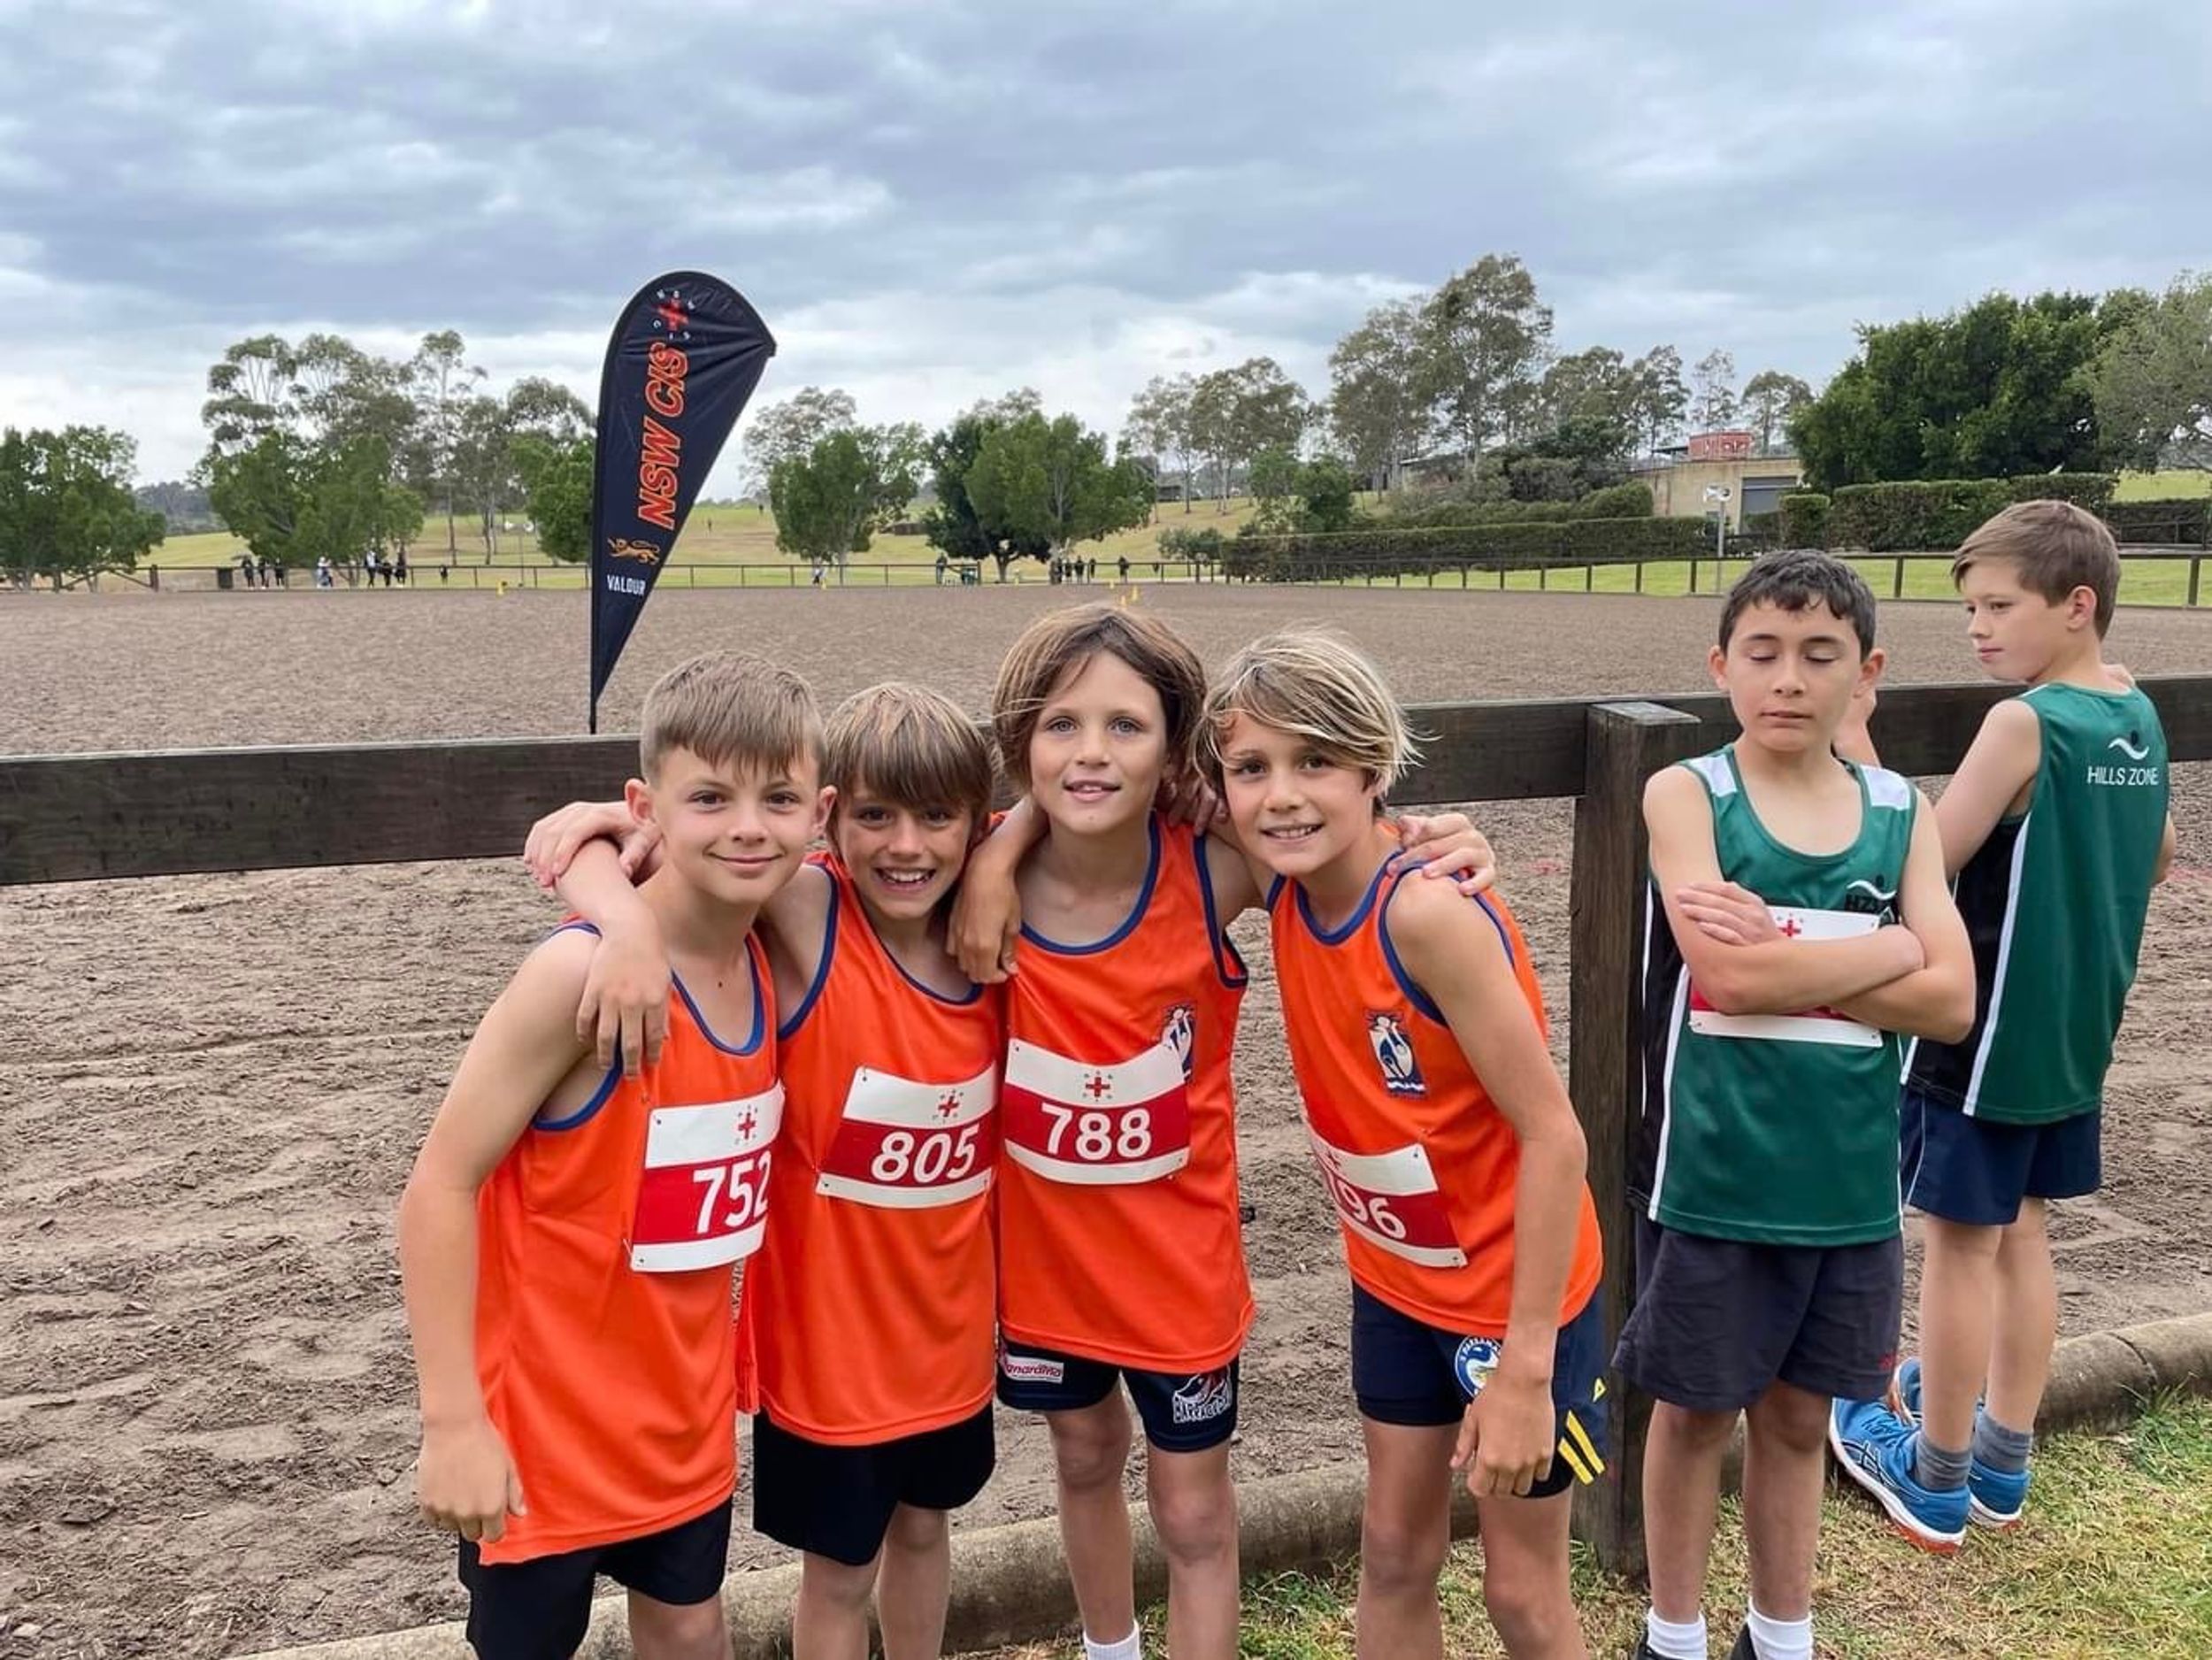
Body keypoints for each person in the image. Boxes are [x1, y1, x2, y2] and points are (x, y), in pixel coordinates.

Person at [952, 604, 1494, 1660]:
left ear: (1173, 749)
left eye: (1125, 725)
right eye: (1061, 724)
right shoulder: (979, 882)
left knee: (1194, 1510)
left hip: (1179, 1275)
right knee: (1081, 1457)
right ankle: (1110, 1645)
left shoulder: (1214, 867)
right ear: (1020, 740)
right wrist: (998, 847)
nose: (1091, 751)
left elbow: (1339, 841)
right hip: (1044, 1269)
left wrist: (1440, 842)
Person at [521, 683, 1006, 1660]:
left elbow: (1071, 825)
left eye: (936, 820)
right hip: (830, 1362)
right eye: (875, 816)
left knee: (925, 1531)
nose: (906, 846)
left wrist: (1004, 853)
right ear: (834, 818)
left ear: (975, 827)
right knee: (840, 1574)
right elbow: (677, 839)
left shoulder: (991, 919)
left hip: (952, 1347)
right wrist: (613, 860)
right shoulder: (811, 909)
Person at [397, 651, 826, 1660]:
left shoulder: (770, 949)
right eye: (710, 798)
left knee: (692, 1629)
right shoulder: (579, 978)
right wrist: (452, 1421)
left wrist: (619, 870)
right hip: (542, 1437)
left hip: (681, 1426)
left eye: (778, 799)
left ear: (818, 814)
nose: (748, 826)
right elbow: (438, 1186)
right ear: (650, 807)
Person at [1196, 629, 1605, 1660]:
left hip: (1517, 1301)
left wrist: (1525, 1369)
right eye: (1251, 767)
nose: (1281, 795)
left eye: (1315, 760)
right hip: (1394, 1284)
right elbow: (1115, 796)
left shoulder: (1425, 914)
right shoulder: (1279, 877)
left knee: (1521, 1591)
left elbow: (1554, 1137)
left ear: (1373, 767)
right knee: (1391, 1551)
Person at [1618, 550, 1975, 1660]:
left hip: (1849, 1188)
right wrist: (1890, 946)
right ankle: (1672, 1634)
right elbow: (1725, 979)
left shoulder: (1900, 811)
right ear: (1720, 665)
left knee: (1796, 1417)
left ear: (1864, 673)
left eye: (1820, 655)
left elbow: (1953, 1002)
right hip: (1716, 1176)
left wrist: (1789, 954)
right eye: (1762, 652)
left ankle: (1781, 1636)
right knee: (1691, 1415)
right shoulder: (1689, 795)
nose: (1788, 678)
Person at [1830, 503, 2176, 1549]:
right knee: (2022, 1231)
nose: (1977, 628)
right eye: (1969, 608)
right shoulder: (2132, 710)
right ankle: (2000, 1460)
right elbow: (2158, 852)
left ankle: (1932, 1474)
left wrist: (1854, 738)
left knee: (1957, 1243)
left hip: (1981, 1033)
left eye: (1997, 606)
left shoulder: (2023, 722)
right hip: (2074, 1026)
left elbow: (1920, 857)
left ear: (2076, 604)